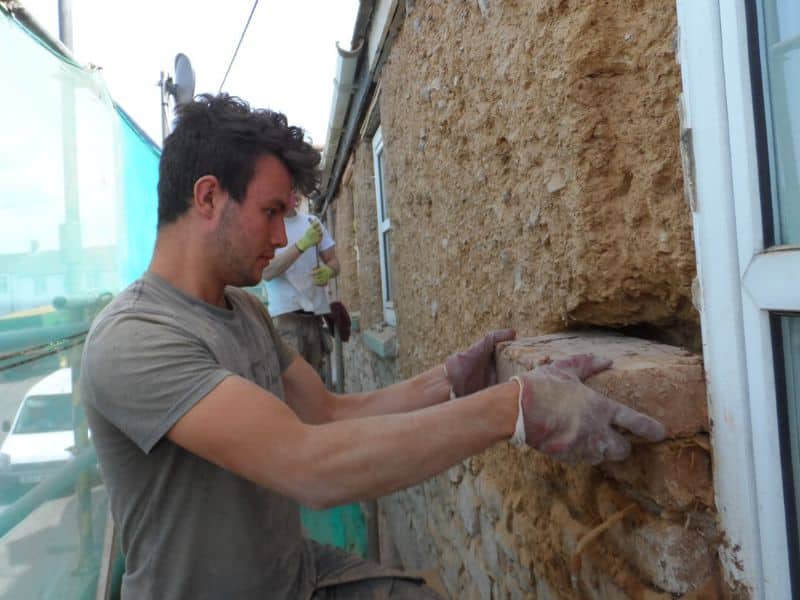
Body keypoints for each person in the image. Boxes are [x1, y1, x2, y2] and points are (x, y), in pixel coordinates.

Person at [81, 94, 666, 600]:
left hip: (295, 578)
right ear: (208, 198)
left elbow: (332, 413)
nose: (284, 235)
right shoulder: (136, 339)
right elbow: (308, 464)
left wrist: (451, 380)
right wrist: (515, 408)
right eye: (270, 212)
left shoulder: (246, 312)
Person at [262, 191, 339, 377]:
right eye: (288, 190)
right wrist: (302, 245)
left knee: (315, 381)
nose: (295, 194)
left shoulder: (312, 222)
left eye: (296, 190)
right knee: (292, 384)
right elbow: (267, 272)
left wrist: (329, 271)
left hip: (313, 316)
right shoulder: (268, 227)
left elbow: (334, 262)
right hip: (285, 318)